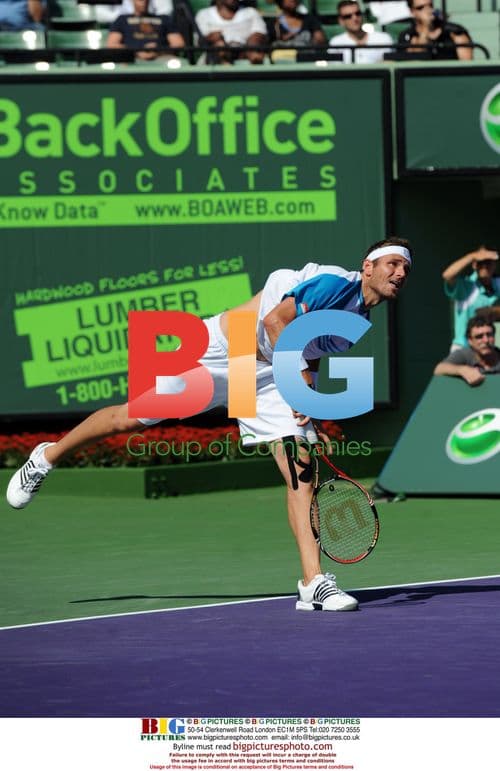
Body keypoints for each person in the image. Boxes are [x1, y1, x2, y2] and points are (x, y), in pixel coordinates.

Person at [7, 237, 412, 613]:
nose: (399, 274)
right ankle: (47, 456)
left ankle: (314, 583)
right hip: (224, 350)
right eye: (393, 264)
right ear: (368, 266)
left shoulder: (360, 316)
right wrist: (302, 382)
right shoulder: (332, 284)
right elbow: (275, 322)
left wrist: (310, 406)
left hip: (270, 373)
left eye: (406, 269)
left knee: (301, 471)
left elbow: (308, 348)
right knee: (132, 417)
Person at [442, 245, 500, 349]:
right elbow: (447, 275)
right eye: (480, 262)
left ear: (494, 264)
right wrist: (472, 256)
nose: (484, 266)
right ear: (474, 264)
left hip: (489, 349)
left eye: (488, 262)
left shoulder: (497, 284)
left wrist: (494, 311)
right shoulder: (466, 286)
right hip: (464, 348)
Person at [106, 0, 185, 61]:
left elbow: (178, 44)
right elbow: (111, 45)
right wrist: (136, 52)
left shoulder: (164, 19)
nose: (144, 2)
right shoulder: (122, 19)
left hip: (162, 58)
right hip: (131, 60)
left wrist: (158, 50)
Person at [195, 0, 268, 64]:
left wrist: (246, 48)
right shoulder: (203, 15)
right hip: (215, 58)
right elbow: (200, 42)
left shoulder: (251, 12)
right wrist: (212, 38)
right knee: (219, 46)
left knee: (255, 52)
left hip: (245, 55)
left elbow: (259, 34)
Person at [434, 316, 500, 385]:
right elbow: (438, 369)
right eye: (479, 337)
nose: (486, 340)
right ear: (470, 341)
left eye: (489, 335)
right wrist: (462, 370)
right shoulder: (464, 354)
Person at [397, 0, 472, 60]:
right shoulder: (407, 35)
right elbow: (415, 61)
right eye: (420, 8)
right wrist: (426, 27)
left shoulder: (454, 31)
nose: (427, 10)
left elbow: (466, 65)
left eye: (430, 5)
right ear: (412, 12)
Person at [328, 1, 393, 64]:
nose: (355, 18)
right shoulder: (335, 43)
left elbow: (389, 64)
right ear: (341, 21)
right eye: (348, 16)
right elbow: (336, 70)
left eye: (357, 13)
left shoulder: (383, 38)